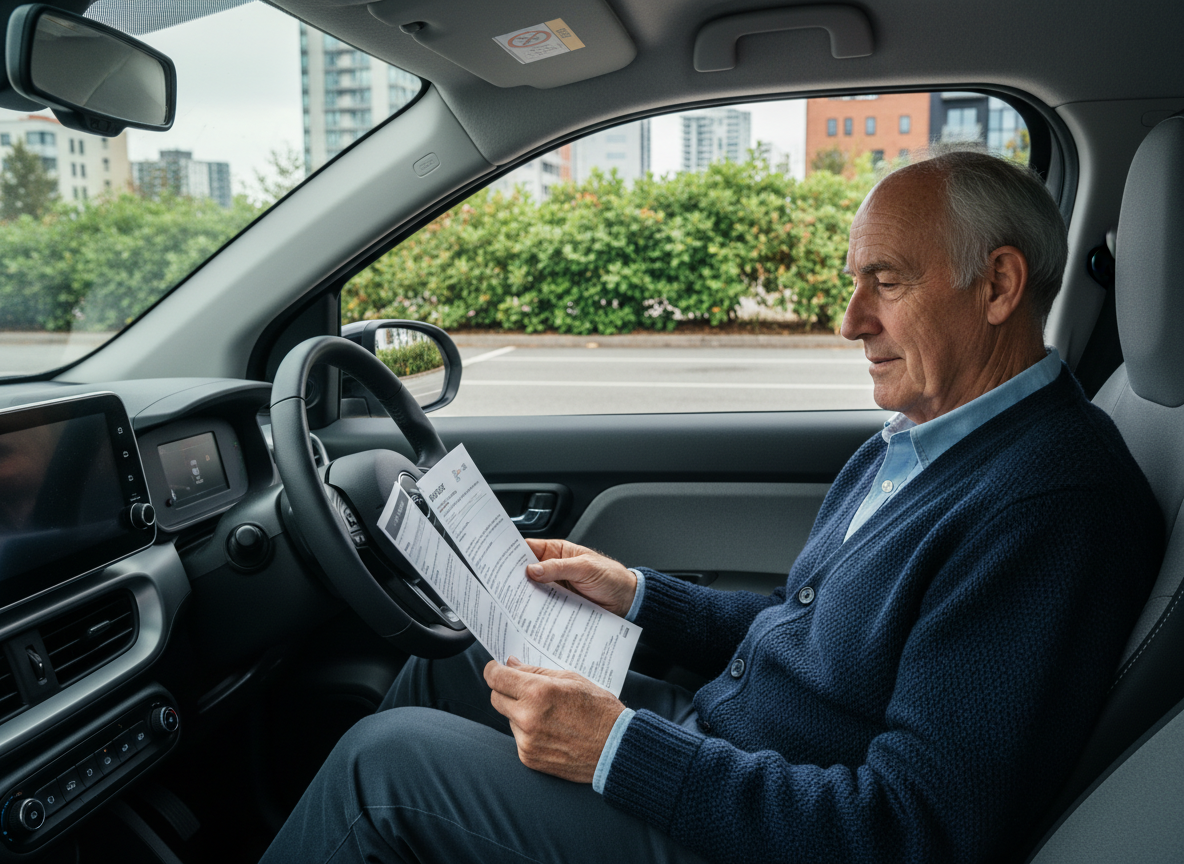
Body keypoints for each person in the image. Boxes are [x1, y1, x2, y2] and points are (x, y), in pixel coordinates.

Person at [260, 151, 1163, 864]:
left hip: (749, 830)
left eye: (886, 282)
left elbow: (912, 830)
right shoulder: (927, 438)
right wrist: (636, 596)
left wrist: (619, 750)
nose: (850, 321)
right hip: (729, 751)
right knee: (455, 667)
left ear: (999, 286)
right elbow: (809, 633)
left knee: (382, 771)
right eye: (855, 282)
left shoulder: (1049, 505)